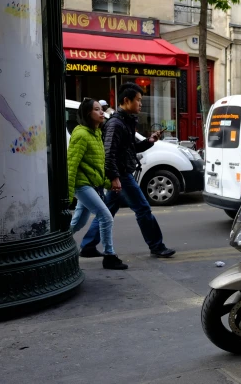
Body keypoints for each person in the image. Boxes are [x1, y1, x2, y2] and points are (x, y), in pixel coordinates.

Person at [79, 83, 176, 258]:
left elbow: (130, 149)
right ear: (126, 100)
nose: (140, 104)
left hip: (122, 173)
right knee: (143, 209)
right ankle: (156, 246)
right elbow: (109, 154)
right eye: (138, 100)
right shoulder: (116, 124)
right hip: (122, 174)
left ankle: (88, 245)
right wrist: (115, 178)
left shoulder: (126, 121)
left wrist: (149, 141)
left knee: (107, 211)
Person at [68, 98, 128, 270]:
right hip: (82, 185)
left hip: (92, 184)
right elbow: (71, 165)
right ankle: (109, 256)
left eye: (101, 109)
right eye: (96, 109)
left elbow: (96, 166)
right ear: (88, 114)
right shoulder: (80, 135)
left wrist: (108, 183)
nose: (102, 112)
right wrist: (67, 194)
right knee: (106, 216)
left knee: (78, 223)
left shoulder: (96, 133)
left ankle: (58, 242)